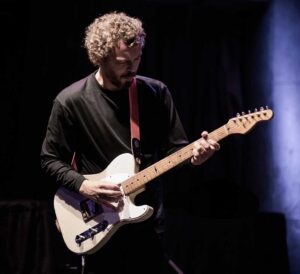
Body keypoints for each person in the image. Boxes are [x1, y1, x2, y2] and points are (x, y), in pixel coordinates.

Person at [40, 11, 220, 274]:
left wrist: (195, 157)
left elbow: (176, 150)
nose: (133, 68)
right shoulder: (70, 101)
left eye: (137, 59)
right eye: (124, 62)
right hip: (97, 224)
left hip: (148, 225)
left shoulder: (156, 93)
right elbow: (49, 159)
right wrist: (85, 185)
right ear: (101, 58)